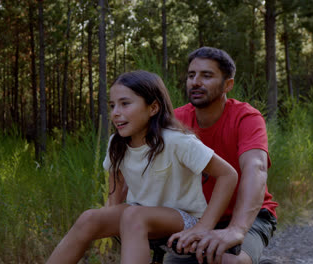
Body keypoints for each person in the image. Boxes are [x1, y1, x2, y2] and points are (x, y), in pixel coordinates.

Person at [45, 70, 238, 264]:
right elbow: (115, 198)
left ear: (153, 108)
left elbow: (228, 175)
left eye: (125, 104)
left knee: (133, 214)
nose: (115, 113)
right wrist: (105, 220)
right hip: (137, 216)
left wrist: (204, 226)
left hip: (185, 219)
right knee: (89, 218)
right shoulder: (116, 143)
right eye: (112, 106)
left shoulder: (177, 141)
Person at [165, 47, 278, 264]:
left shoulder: (246, 117)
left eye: (206, 75)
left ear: (228, 84)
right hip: (198, 219)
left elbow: (256, 167)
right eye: (191, 75)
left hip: (249, 217)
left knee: (228, 260)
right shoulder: (175, 121)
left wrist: (236, 229)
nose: (195, 82)